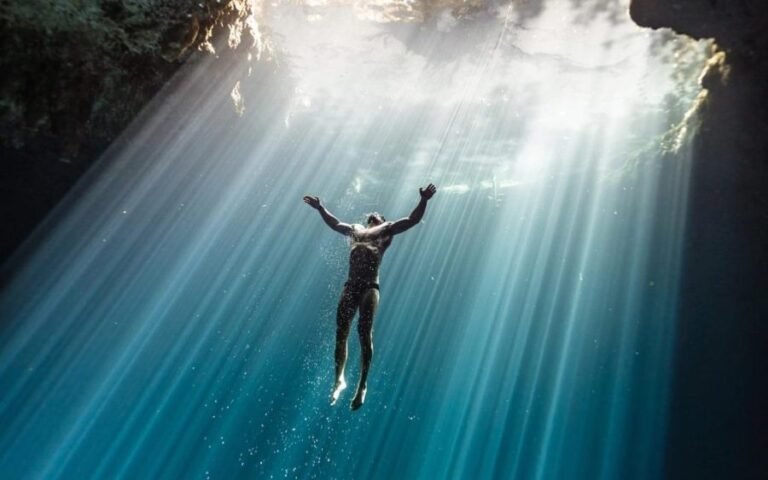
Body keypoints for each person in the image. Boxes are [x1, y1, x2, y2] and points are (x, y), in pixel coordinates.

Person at [303, 184, 437, 410]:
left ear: (382, 219)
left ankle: (362, 385)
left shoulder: (387, 228)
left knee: (364, 333)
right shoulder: (355, 229)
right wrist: (320, 208)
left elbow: (412, 220)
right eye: (372, 215)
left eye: (378, 215)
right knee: (341, 332)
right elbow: (335, 224)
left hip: (369, 287)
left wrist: (423, 200)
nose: (374, 214)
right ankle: (339, 379)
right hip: (351, 285)